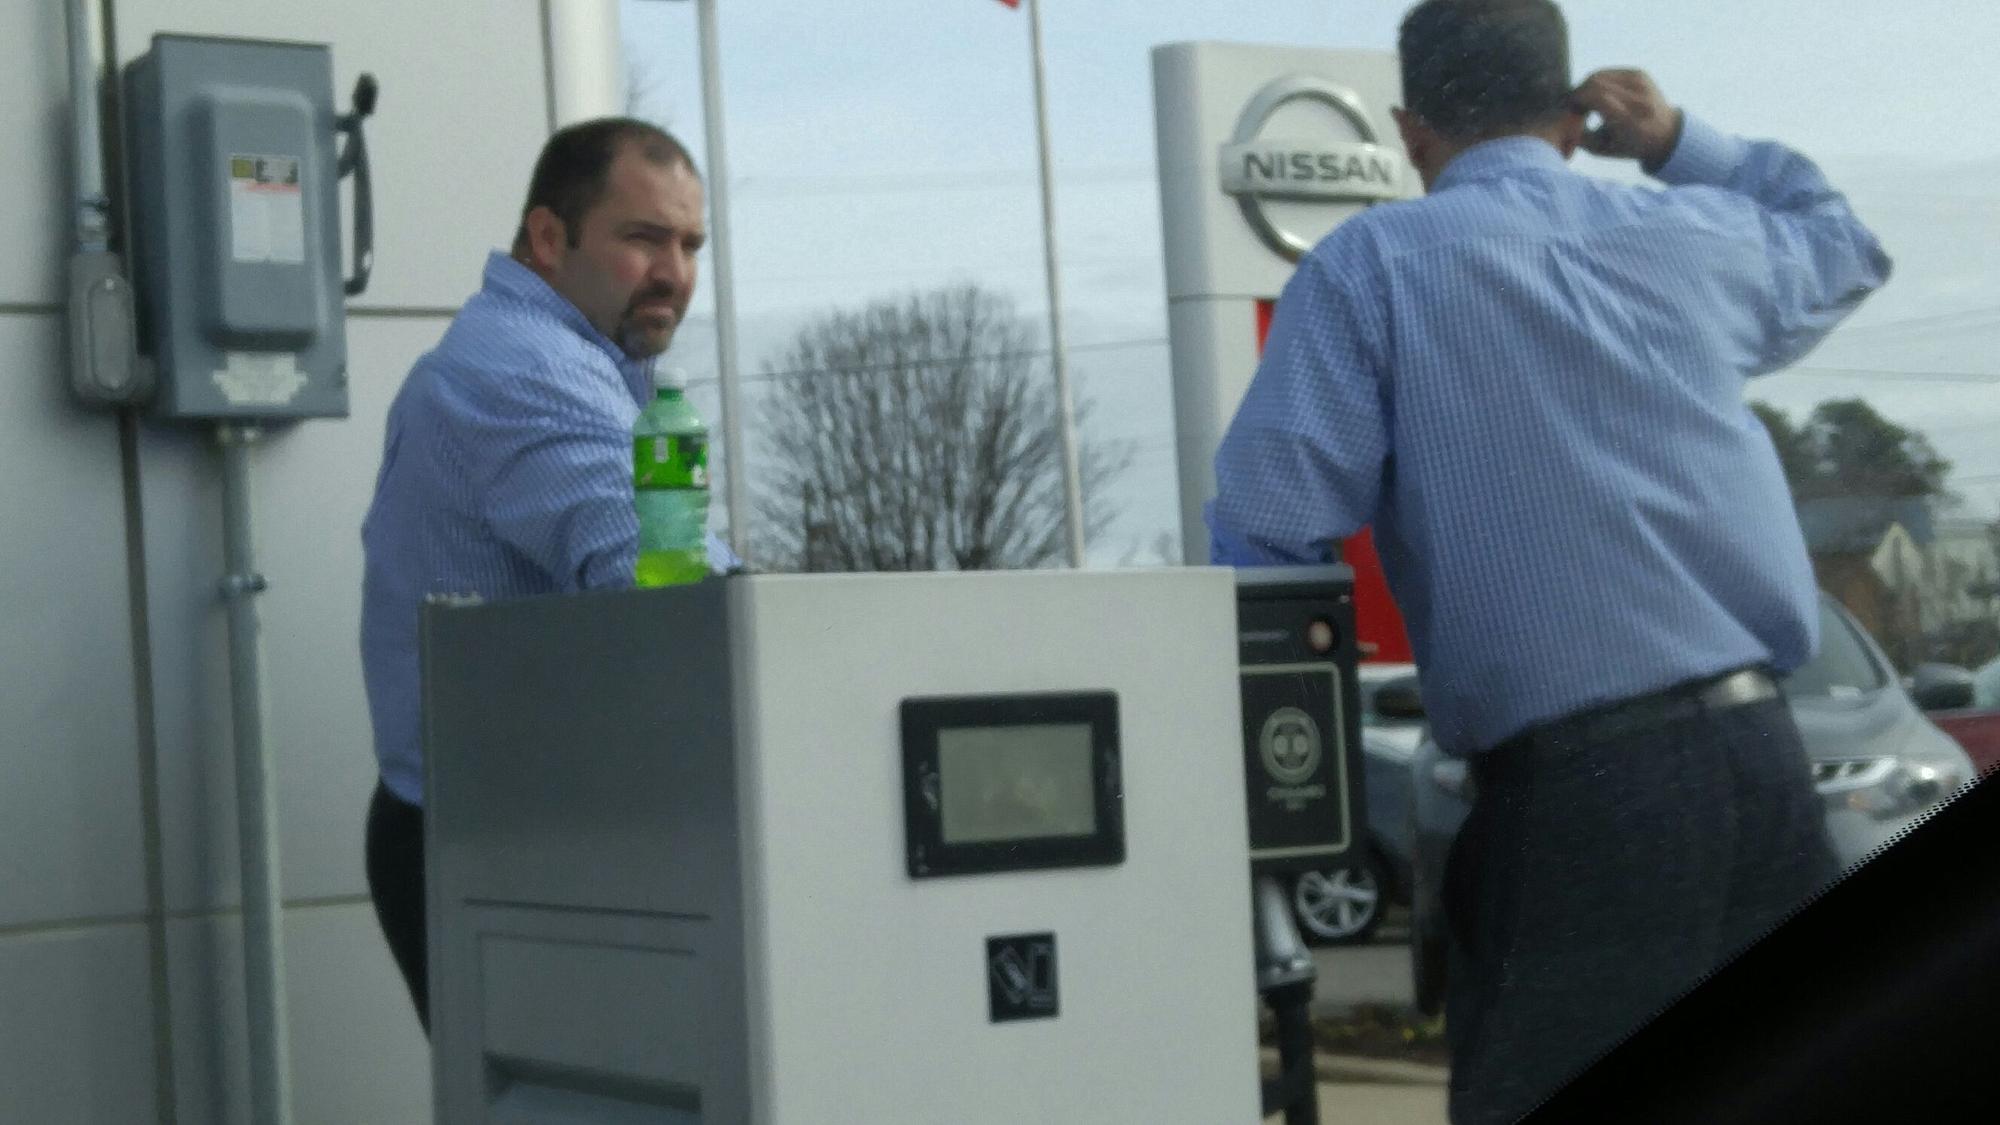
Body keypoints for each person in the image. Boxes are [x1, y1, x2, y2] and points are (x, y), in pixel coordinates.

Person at [1206, 1, 1890, 1121]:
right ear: (1574, 119)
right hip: (1765, 771)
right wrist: (1676, 143)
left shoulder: (1368, 269)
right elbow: (1839, 242)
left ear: (1407, 129)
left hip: (1576, 804)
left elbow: (1264, 540)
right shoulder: (1694, 234)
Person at [357, 117, 738, 1034]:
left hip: (504, 826)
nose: (675, 274)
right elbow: (659, 587)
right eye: (643, 238)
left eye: (690, 245)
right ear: (546, 238)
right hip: (499, 843)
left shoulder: (577, 363)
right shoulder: (526, 369)